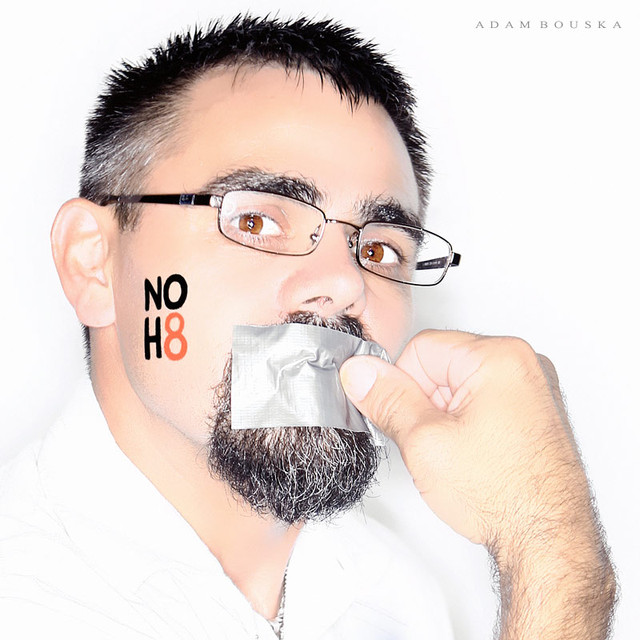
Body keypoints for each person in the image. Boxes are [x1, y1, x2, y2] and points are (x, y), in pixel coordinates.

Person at [0, 14, 616, 639]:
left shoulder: (402, 598)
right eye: (256, 222)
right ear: (94, 263)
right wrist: (548, 546)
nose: (347, 284)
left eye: (379, 249)